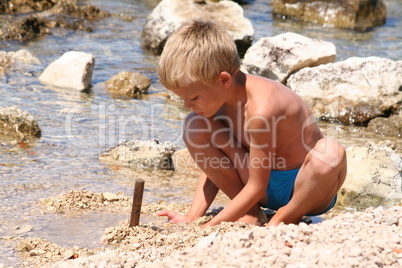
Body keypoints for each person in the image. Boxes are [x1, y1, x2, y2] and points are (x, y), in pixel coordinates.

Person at [157, 20, 347, 227]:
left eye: (193, 97)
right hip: (256, 183)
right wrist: (192, 217)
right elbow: (213, 166)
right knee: (195, 126)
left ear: (223, 80)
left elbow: (257, 186)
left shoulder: (262, 108)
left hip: (305, 187)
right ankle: (251, 213)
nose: (186, 105)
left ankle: (285, 217)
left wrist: (208, 227)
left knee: (331, 153)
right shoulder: (217, 101)